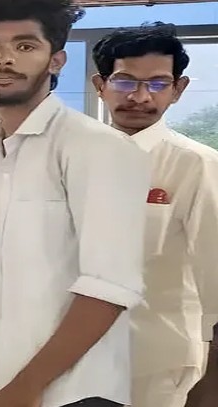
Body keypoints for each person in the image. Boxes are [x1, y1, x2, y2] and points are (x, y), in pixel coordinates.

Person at [0, 1, 151, 406]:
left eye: (25, 46)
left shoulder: (96, 146)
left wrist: (27, 386)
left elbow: (109, 287)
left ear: (56, 60)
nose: (4, 58)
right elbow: (2, 287)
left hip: (74, 391)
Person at [91, 23, 218, 407]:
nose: (140, 97)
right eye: (125, 81)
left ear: (178, 89)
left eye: (159, 83)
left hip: (157, 362)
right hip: (75, 358)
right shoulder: (76, 158)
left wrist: (213, 381)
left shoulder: (196, 165)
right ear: (101, 85)